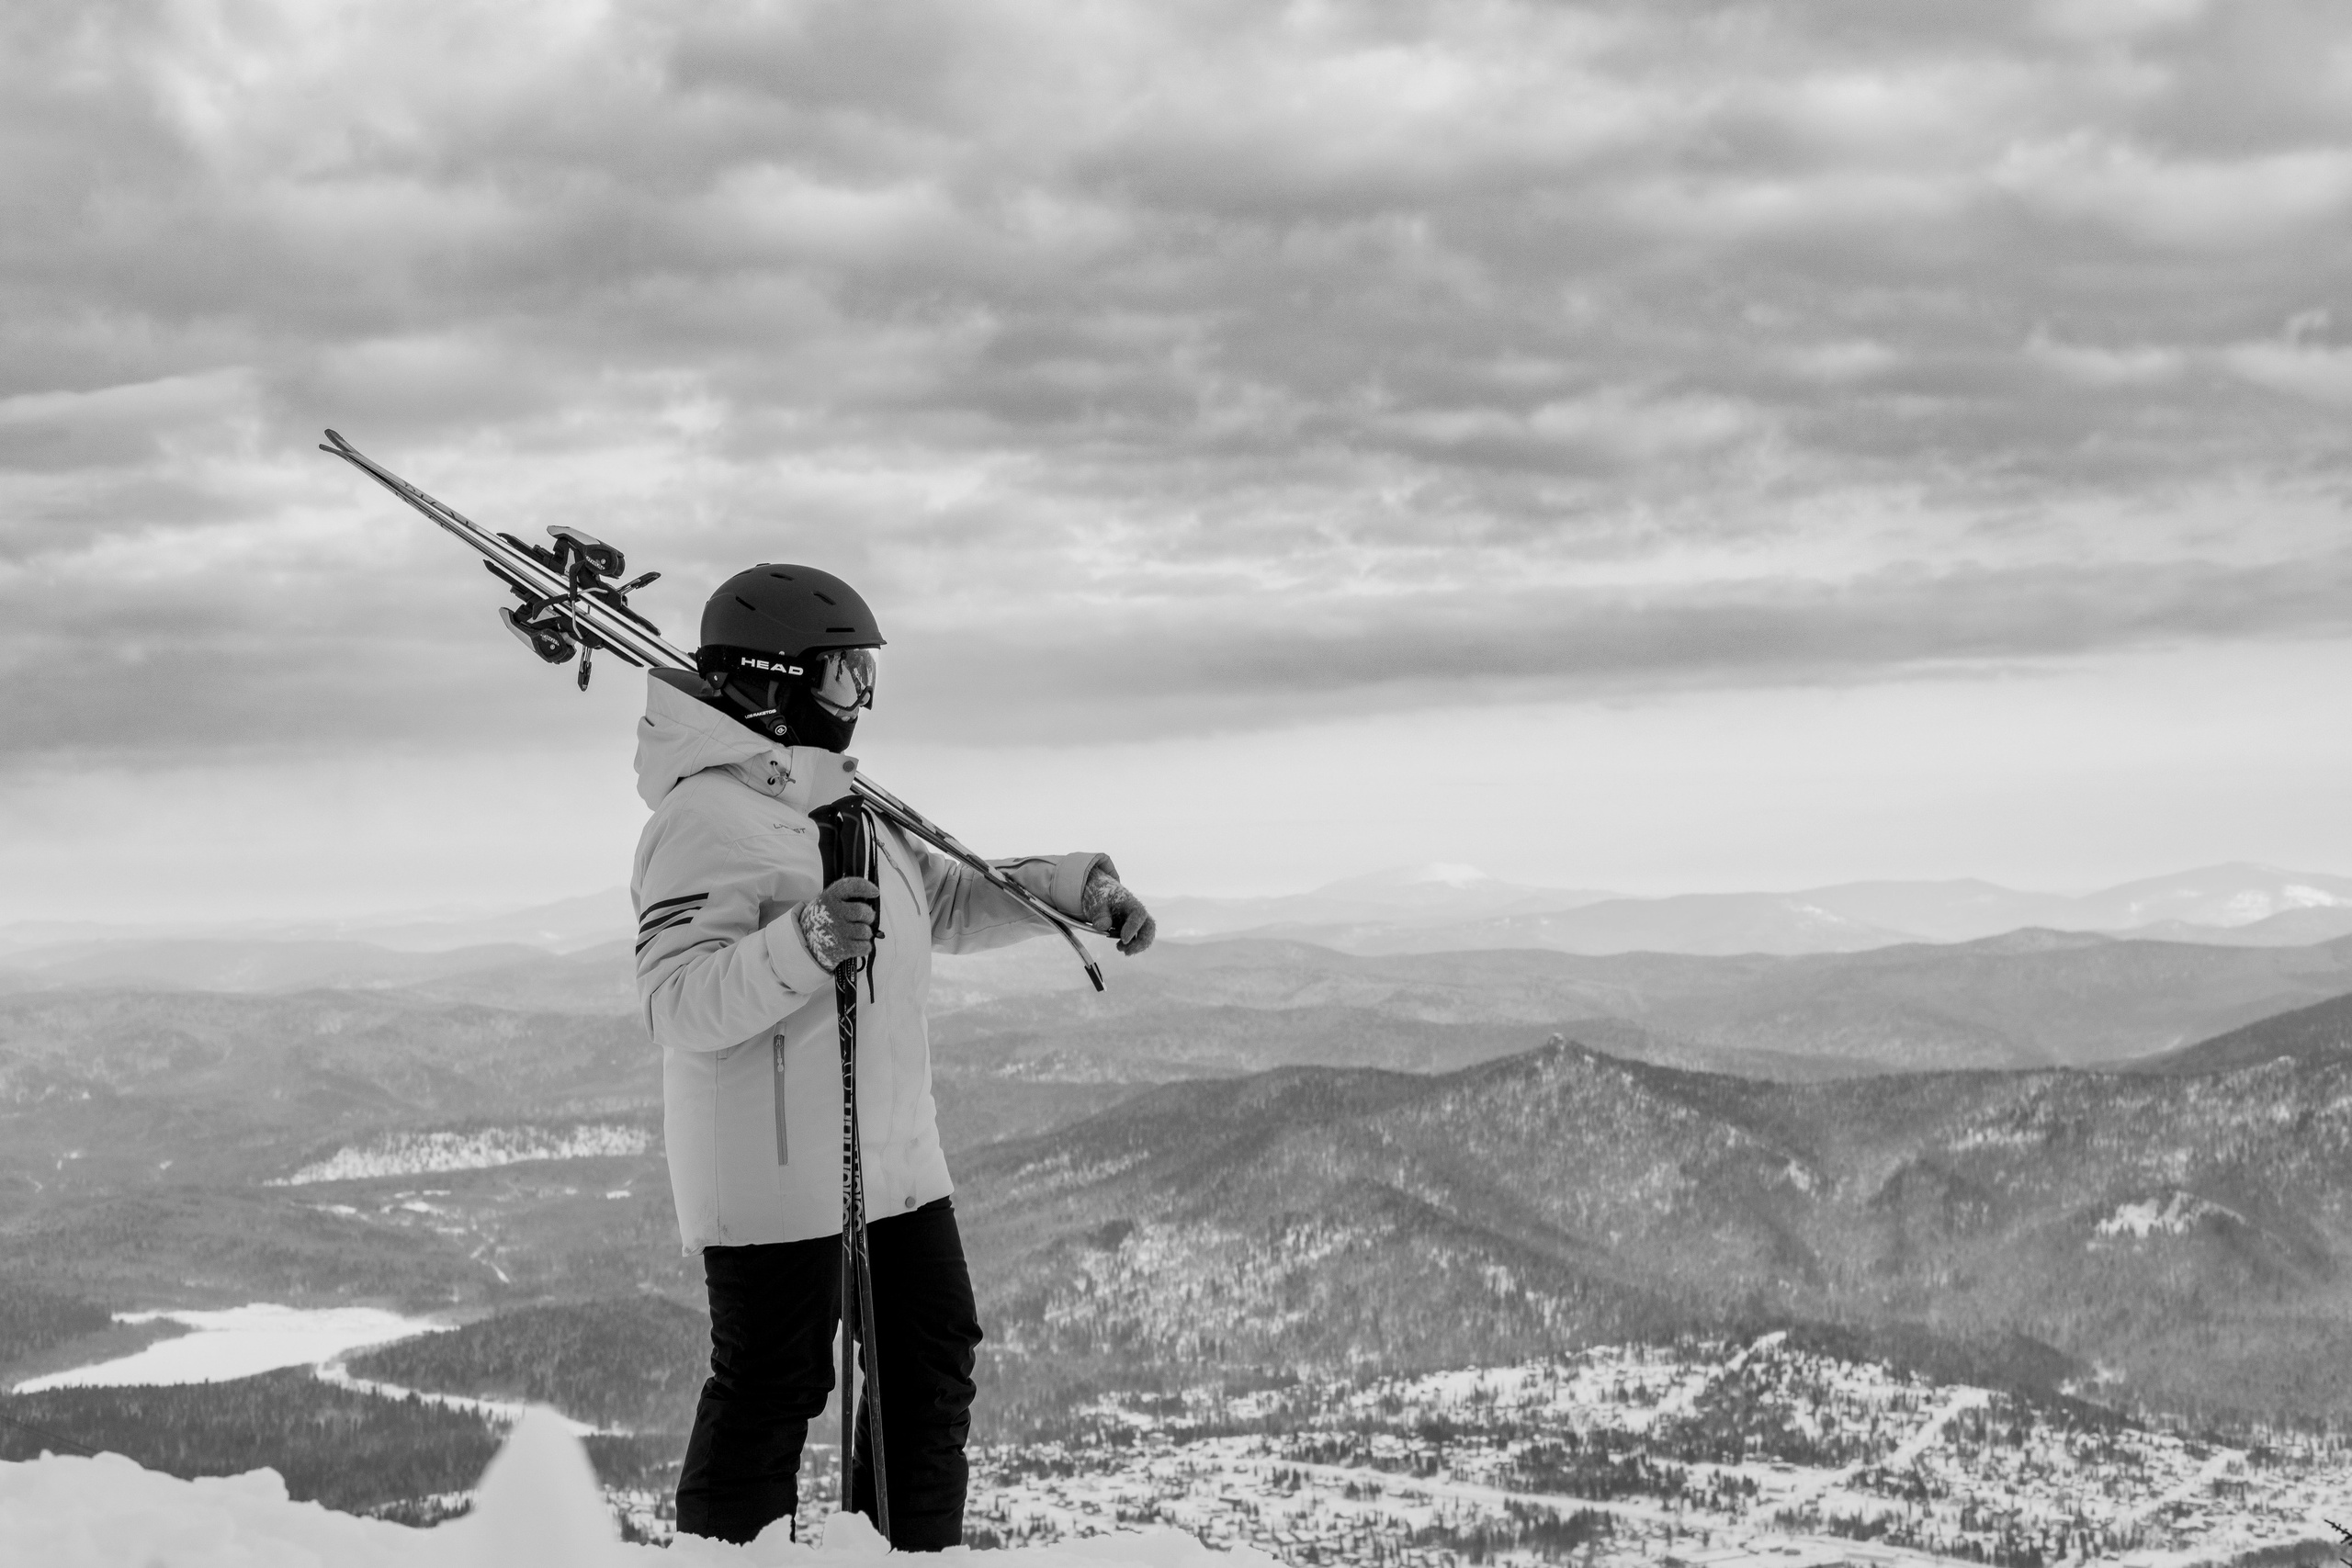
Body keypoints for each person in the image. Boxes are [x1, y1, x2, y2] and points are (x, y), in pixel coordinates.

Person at [628, 564, 1154, 1550]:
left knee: (931, 1360)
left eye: (867, 675)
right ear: (773, 679)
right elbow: (675, 1002)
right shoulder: (701, 820)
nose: (861, 699)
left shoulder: (848, 804)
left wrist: (1076, 893)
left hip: (895, 1162)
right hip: (774, 1173)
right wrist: (807, 943)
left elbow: (947, 902)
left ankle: (908, 1555)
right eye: (842, 676)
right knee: (774, 1389)